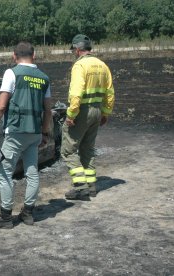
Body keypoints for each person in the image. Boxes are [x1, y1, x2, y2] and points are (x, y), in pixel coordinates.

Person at [0, 42, 52, 229]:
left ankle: (6, 217)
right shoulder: (44, 78)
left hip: (15, 132)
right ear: (34, 55)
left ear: (14, 56)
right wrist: (45, 133)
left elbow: (1, 106)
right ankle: (28, 213)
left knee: (4, 172)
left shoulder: (11, 73)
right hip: (35, 132)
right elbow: (48, 110)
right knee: (32, 172)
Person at [61, 34, 115, 200]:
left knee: (68, 150)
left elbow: (76, 93)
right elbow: (110, 92)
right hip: (97, 111)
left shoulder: (80, 66)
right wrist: (105, 113)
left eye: (73, 50)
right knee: (87, 149)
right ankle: (91, 186)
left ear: (78, 50)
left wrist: (71, 114)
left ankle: (80, 187)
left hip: (82, 111)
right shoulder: (102, 65)